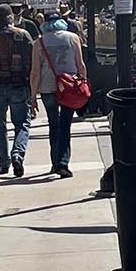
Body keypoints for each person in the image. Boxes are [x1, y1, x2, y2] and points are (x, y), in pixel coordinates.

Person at [0, 3, 37, 177]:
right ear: (10, 17)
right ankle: (17, 154)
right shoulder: (22, 35)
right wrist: (32, 84)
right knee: (22, 123)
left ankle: (3, 163)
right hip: (19, 84)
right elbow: (32, 62)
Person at [31, 10, 87, 179]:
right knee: (65, 125)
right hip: (69, 88)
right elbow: (80, 65)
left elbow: (35, 72)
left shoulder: (38, 43)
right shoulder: (73, 38)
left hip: (48, 88)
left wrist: (33, 96)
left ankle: (55, 162)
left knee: (53, 125)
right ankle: (63, 163)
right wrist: (84, 84)